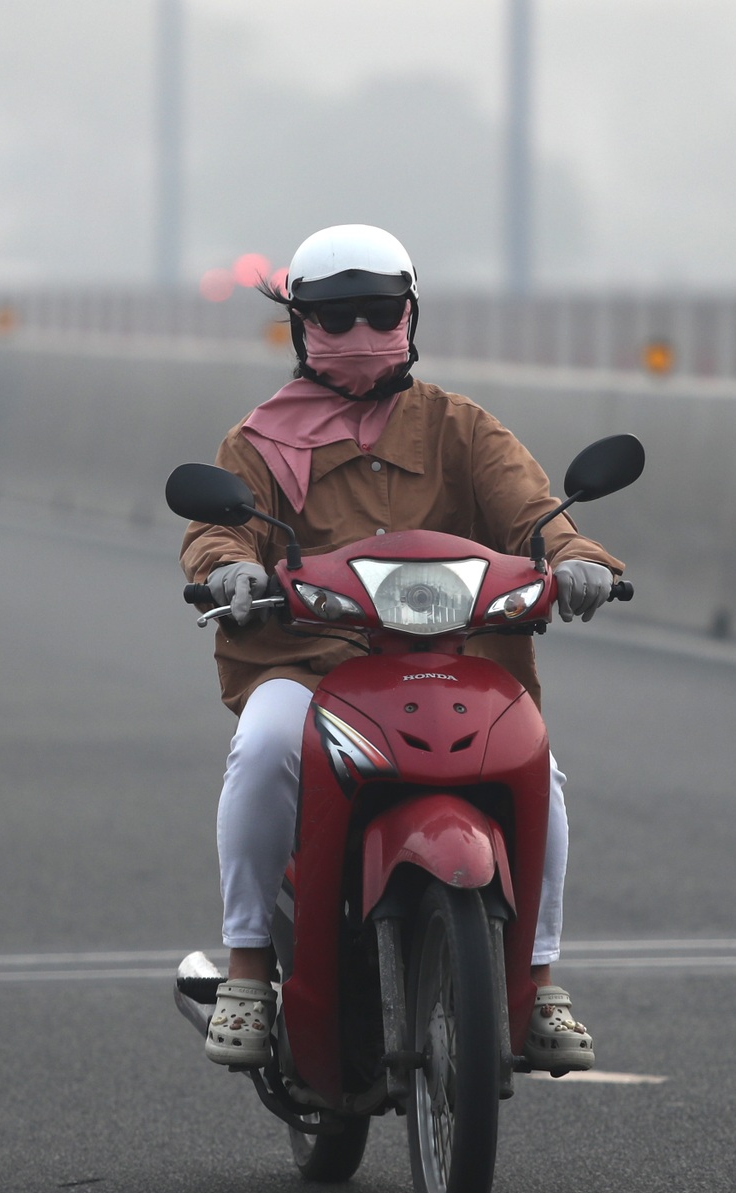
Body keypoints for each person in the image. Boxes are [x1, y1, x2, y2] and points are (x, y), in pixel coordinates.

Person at [180, 224, 623, 1074]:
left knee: (543, 771)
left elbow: (534, 511)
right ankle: (245, 969)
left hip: (452, 667)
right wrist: (231, 571)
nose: (356, 334)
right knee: (268, 745)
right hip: (304, 668)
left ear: (410, 314)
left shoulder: (461, 426)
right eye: (334, 317)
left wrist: (577, 561)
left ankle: (539, 980)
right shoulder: (258, 441)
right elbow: (217, 530)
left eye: (377, 312)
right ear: (301, 326)